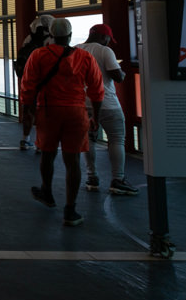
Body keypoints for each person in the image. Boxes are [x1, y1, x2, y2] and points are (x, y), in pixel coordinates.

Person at [20, 18, 104, 226]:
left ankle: (47, 192)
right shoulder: (84, 57)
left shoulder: (38, 55)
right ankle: (70, 209)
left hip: (48, 111)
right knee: (72, 161)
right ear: (70, 35)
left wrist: (28, 110)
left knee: (47, 155)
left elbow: (28, 84)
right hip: (76, 112)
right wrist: (95, 116)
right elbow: (96, 89)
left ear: (51, 35)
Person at [76, 24, 138, 196]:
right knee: (117, 139)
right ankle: (118, 180)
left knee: (89, 140)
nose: (109, 42)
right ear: (104, 37)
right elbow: (117, 76)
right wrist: (122, 73)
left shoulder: (75, 50)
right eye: (109, 39)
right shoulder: (105, 51)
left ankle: (92, 177)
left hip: (83, 103)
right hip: (107, 103)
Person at [14, 14, 54, 150]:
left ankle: (25, 139)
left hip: (29, 82)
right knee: (44, 113)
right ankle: (40, 143)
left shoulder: (28, 39)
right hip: (46, 82)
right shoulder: (51, 40)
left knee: (28, 111)